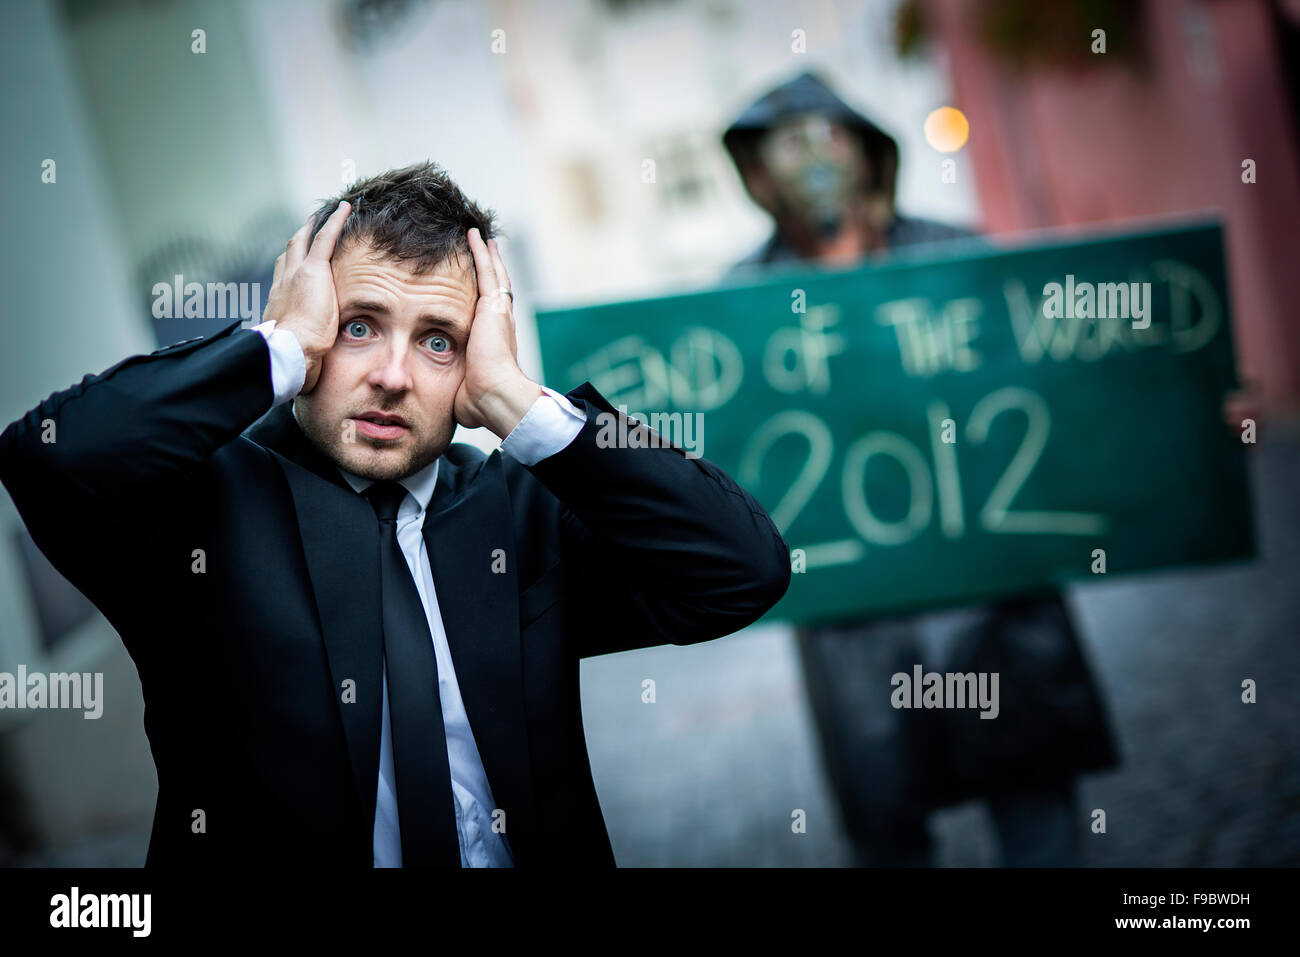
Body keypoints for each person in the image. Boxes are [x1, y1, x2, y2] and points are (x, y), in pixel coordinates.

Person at [0, 161, 790, 868]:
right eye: (358, 325)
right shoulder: (201, 510)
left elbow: (740, 571)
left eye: (439, 342)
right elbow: (50, 455)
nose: (392, 375)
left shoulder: (520, 513)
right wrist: (271, 348)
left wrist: (518, 402)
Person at [721, 72, 1120, 867]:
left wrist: (1186, 421)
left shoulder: (958, 258)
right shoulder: (738, 302)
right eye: (787, 147)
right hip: (853, 616)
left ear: (869, 153)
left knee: (1035, 803)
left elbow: (1069, 384)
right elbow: (716, 449)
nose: (812, 161)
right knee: (889, 828)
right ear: (758, 175)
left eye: (827, 138)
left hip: (996, 592)